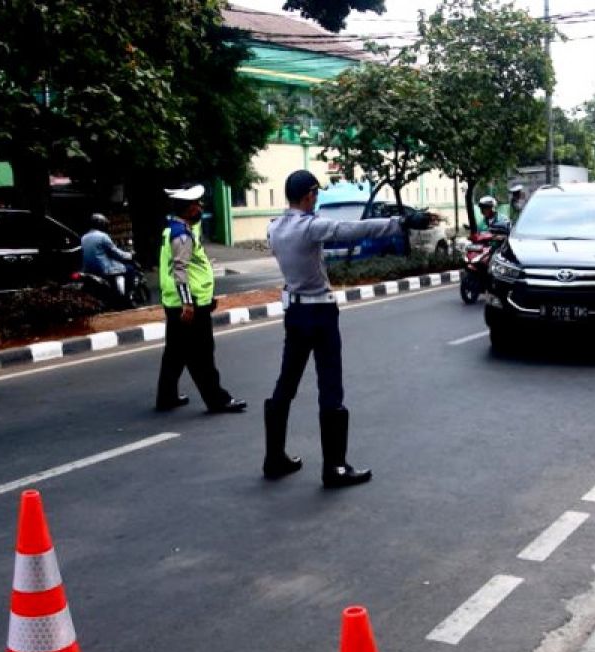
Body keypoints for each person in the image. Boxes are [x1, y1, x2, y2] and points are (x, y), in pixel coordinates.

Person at [264, 169, 435, 488]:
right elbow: (352, 230)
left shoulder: (273, 228)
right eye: (315, 194)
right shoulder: (310, 227)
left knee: (286, 383)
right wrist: (399, 222)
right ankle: (335, 467)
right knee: (330, 387)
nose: (316, 199)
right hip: (320, 313)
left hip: (294, 312)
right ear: (308, 196)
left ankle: (274, 458)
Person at [154, 185, 246, 414]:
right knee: (202, 354)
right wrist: (188, 303)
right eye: (197, 204)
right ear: (187, 209)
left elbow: (194, 269)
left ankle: (166, 397)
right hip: (188, 306)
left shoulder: (175, 229)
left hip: (178, 303)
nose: (200, 208)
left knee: (175, 353)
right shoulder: (182, 235)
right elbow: (180, 270)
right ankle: (218, 400)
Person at [81, 213, 135, 296]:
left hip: (88, 270)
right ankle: (126, 296)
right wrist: (129, 255)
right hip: (104, 268)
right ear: (101, 224)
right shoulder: (103, 236)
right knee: (130, 269)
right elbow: (115, 252)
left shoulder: (84, 237)